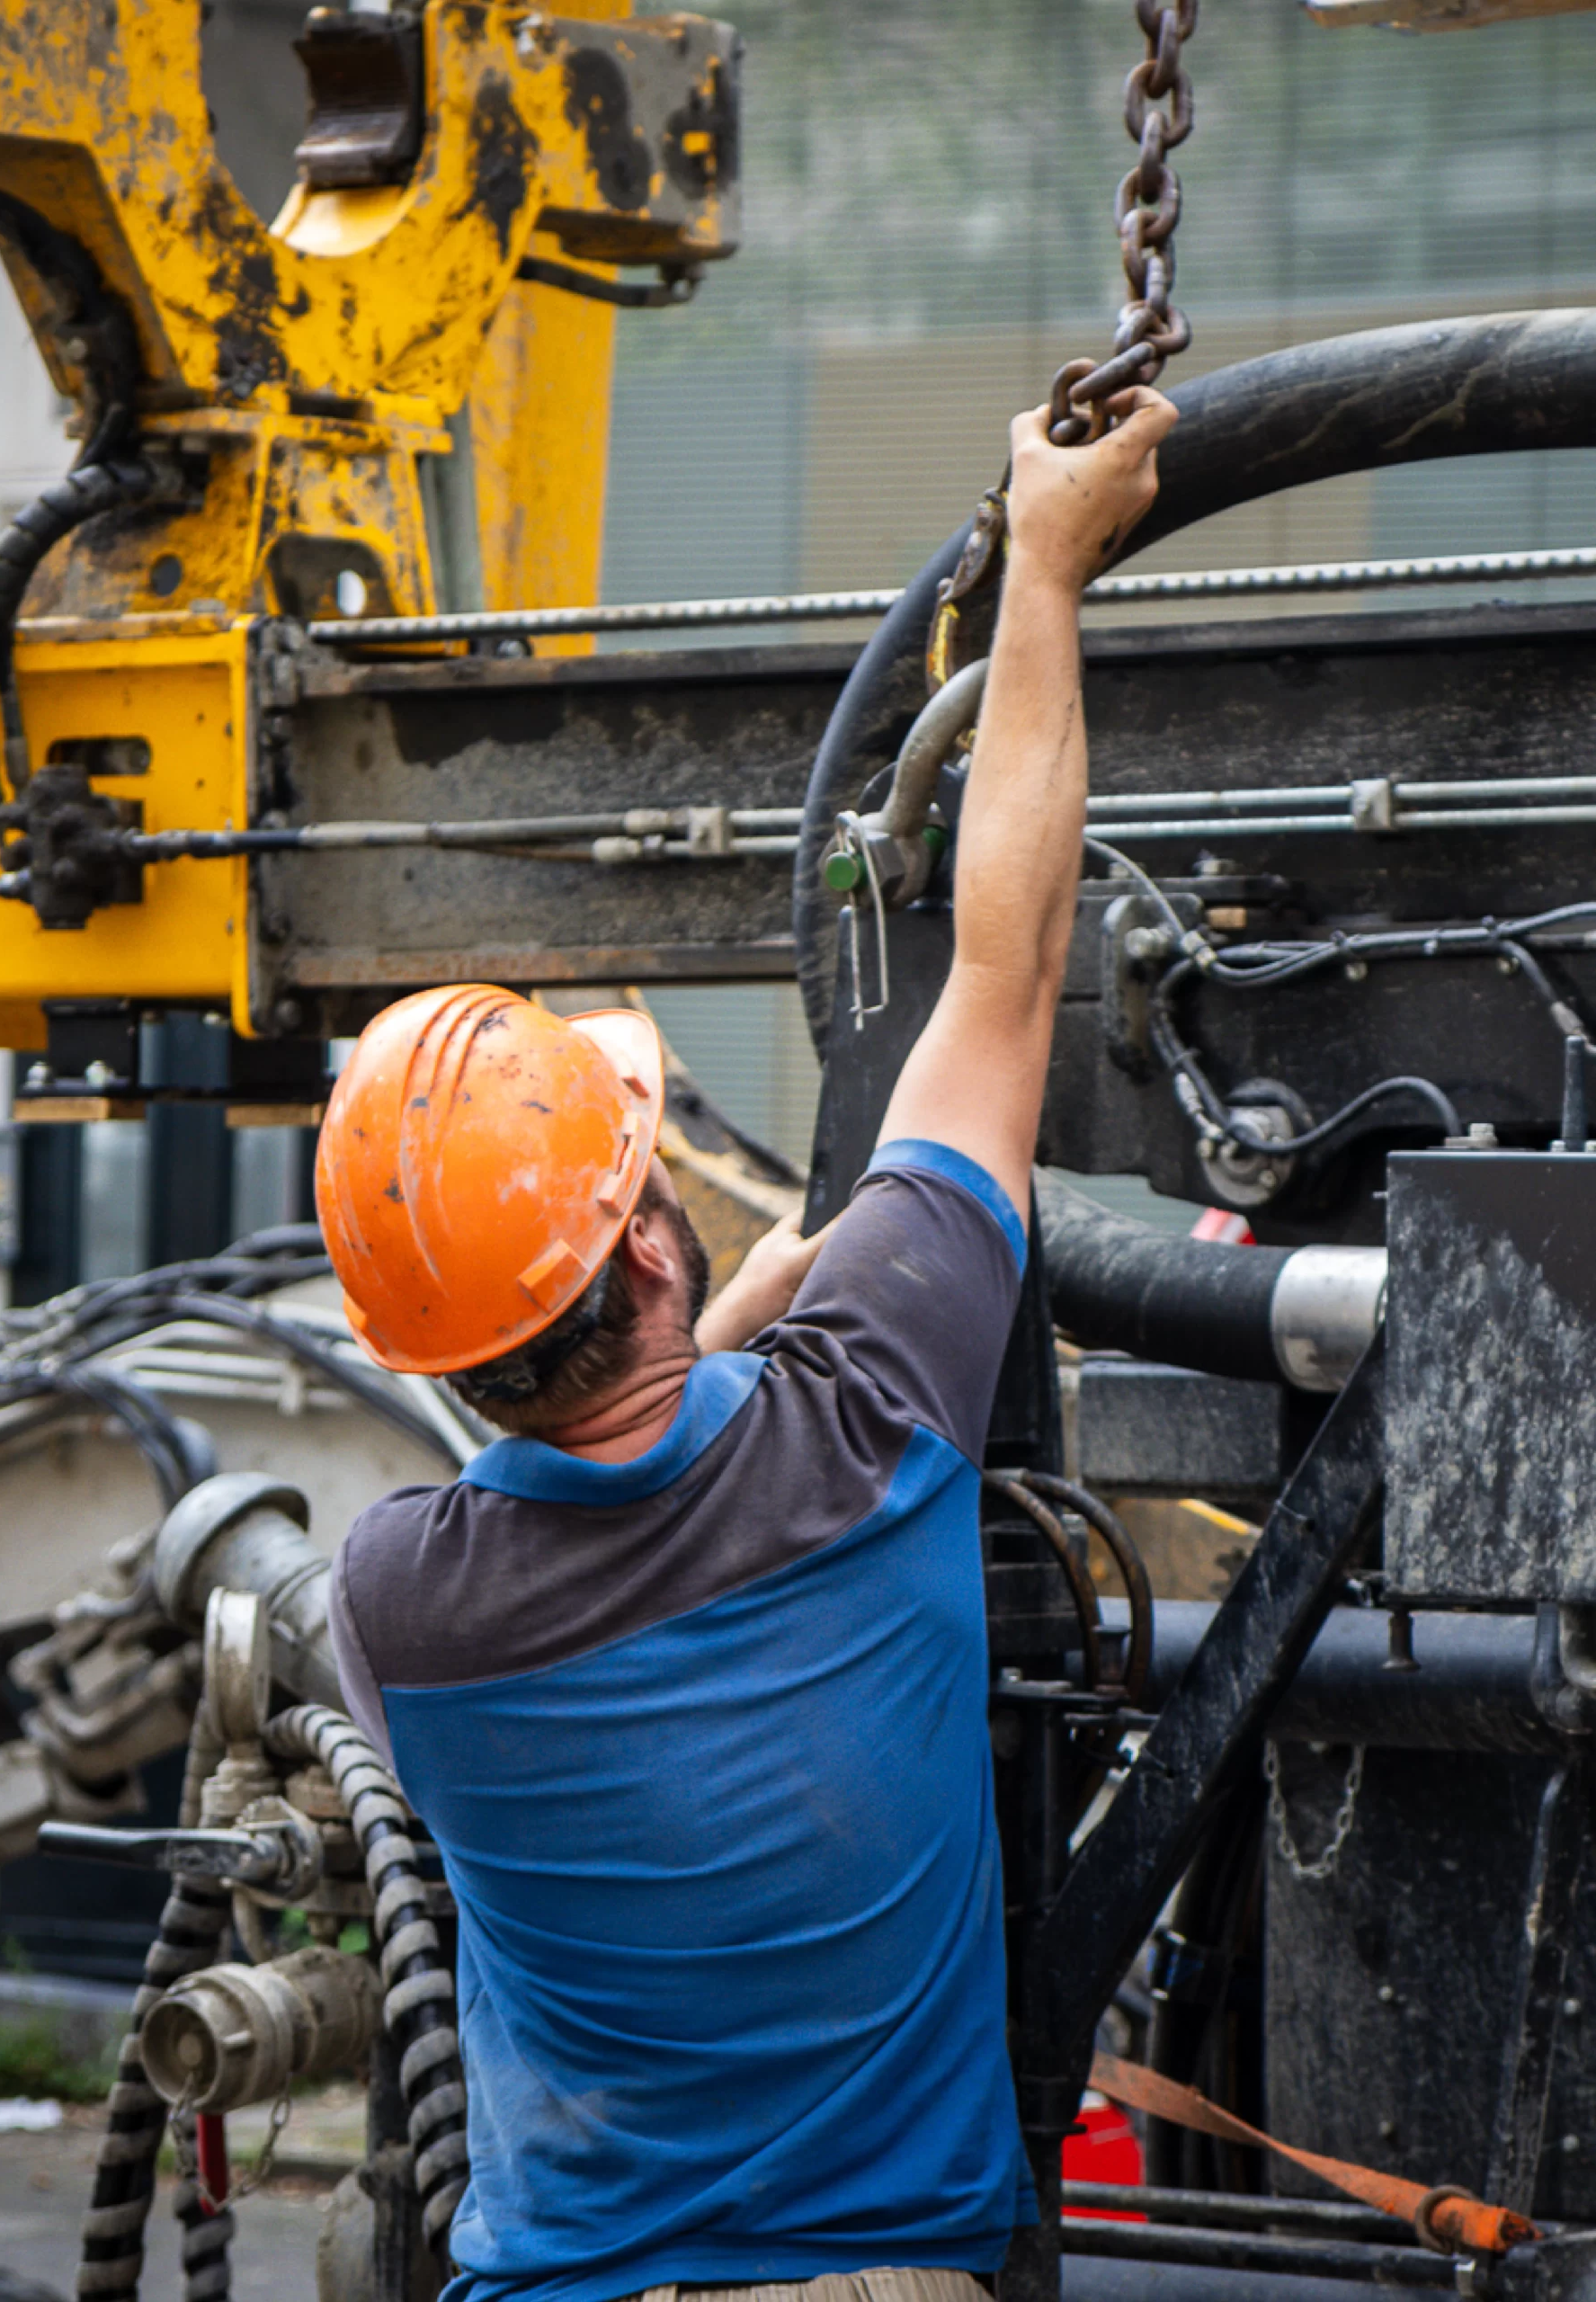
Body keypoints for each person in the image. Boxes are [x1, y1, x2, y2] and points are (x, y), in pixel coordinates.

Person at [317, 386, 1177, 2302]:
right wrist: (1047, 559)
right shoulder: (875, 1411)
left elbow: (583, 1466)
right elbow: (1010, 961)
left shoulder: (402, 1606)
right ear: (645, 1229)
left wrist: (738, 1296)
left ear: (441, 1359)